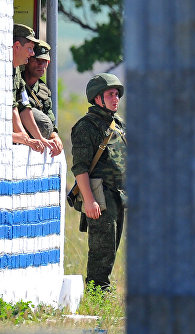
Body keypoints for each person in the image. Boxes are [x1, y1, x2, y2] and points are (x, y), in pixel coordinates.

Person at [70, 73, 127, 291]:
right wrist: (90, 200)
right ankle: (97, 292)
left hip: (118, 194)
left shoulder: (118, 123)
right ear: (96, 98)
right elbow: (80, 168)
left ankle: (101, 290)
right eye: (110, 94)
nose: (116, 98)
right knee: (101, 248)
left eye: (117, 94)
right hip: (100, 195)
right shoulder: (86, 127)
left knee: (112, 246)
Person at [11, 24, 54, 154]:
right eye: (30, 49)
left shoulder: (16, 70)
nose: (32, 53)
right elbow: (11, 107)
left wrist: (38, 138)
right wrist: (23, 137)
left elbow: (23, 106)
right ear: (17, 46)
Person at [22, 40, 64, 157]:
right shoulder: (17, 82)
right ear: (28, 60)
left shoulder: (43, 90)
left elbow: (49, 117)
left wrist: (55, 136)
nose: (41, 65)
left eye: (44, 61)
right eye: (37, 60)